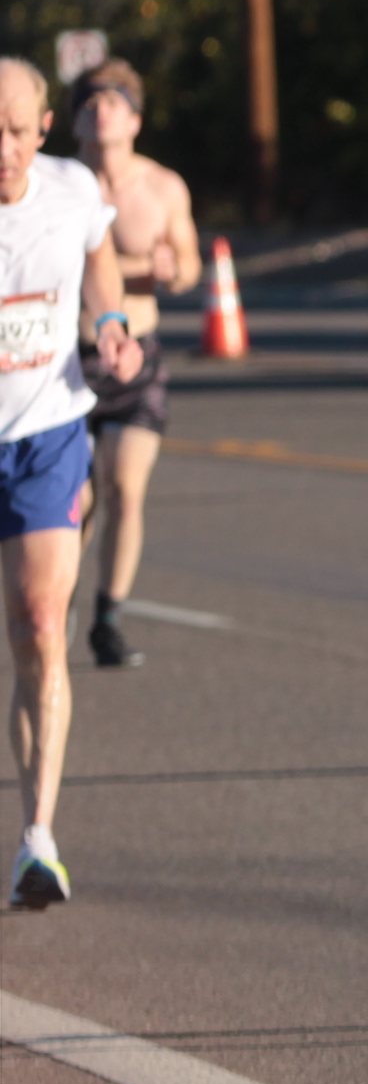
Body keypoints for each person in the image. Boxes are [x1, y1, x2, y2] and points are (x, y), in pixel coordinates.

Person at [0, 56, 143, 909]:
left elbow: (99, 262)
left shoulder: (71, 188)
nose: (4, 149)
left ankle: (37, 840)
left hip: (46, 433)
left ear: (45, 128)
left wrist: (112, 323)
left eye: (18, 131)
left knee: (40, 624)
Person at [64, 60, 198, 673]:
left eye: (114, 102)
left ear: (136, 120)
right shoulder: (59, 188)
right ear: (73, 121)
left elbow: (190, 265)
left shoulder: (163, 188)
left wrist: (173, 270)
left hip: (138, 359)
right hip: (70, 361)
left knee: (125, 488)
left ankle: (107, 619)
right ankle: (57, 599)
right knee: (78, 499)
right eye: (90, 102)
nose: (101, 111)